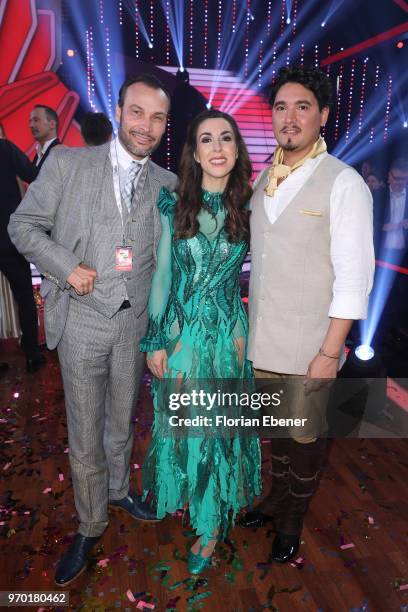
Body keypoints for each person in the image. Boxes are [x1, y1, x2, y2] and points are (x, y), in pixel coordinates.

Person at [9, 74, 177, 586]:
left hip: (133, 326)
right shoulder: (67, 164)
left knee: (121, 419)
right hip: (81, 322)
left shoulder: (167, 184)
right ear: (119, 111)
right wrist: (64, 265)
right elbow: (22, 226)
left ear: (165, 124)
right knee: (84, 430)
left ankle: (117, 491)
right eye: (137, 112)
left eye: (157, 117)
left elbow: (168, 260)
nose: (145, 126)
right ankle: (89, 523)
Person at [240, 66, 374, 563]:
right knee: (276, 430)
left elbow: (355, 277)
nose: (289, 117)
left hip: (312, 345)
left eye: (302, 107)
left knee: (305, 438)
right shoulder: (263, 180)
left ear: (322, 115)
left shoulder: (344, 182)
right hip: (264, 340)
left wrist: (328, 353)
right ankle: (276, 499)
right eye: (280, 107)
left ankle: (292, 517)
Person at [140, 109, 261, 574]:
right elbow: (163, 275)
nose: (216, 147)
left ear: (236, 149)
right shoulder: (176, 204)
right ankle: (196, 500)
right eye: (206, 139)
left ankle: (210, 526)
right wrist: (157, 338)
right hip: (181, 336)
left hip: (230, 337)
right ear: (193, 151)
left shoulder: (251, 206)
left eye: (225, 138)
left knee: (218, 432)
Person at [0, 138, 42, 371]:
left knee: (25, 297)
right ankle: (32, 355)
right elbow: (33, 175)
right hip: (8, 237)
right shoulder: (4, 148)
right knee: (25, 297)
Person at [373, 157, 408, 263]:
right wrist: (397, 225)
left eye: (404, 179)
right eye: (397, 178)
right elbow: (368, 222)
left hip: (404, 256)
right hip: (380, 255)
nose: (399, 182)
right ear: (389, 176)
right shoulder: (377, 195)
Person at [29, 104, 60, 171]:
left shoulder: (61, 154)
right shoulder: (38, 154)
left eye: (36, 120)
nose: (31, 125)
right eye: (30, 121)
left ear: (52, 124)